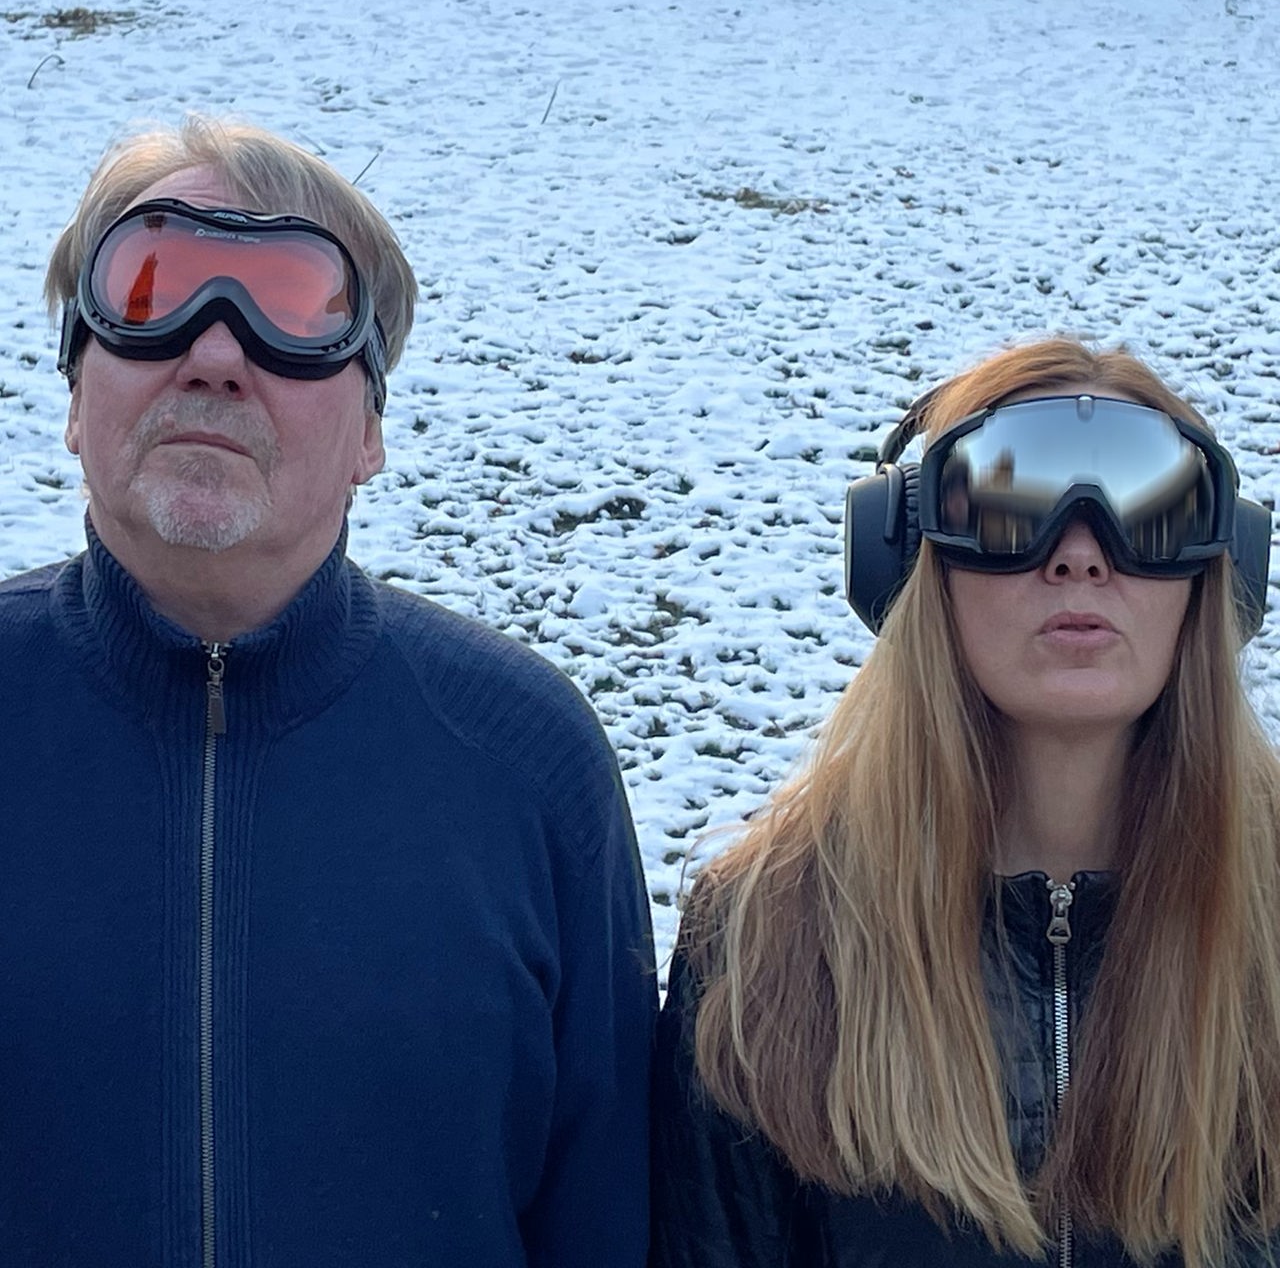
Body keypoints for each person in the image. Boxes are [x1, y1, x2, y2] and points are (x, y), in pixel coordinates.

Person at [0, 116, 656, 1268]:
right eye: (148, 292)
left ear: (369, 430)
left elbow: (606, 1216)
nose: (213, 353)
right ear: (72, 391)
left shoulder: (525, 760)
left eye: (291, 306)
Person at [650, 339, 1280, 1268]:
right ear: (905, 559)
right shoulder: (764, 936)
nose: (1078, 557)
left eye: (1149, 510)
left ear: (1218, 568)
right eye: (1009, 506)